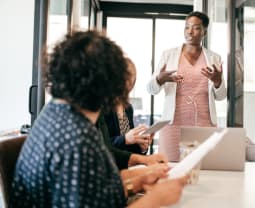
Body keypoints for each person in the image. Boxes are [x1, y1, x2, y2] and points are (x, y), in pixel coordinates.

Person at [11, 31, 188, 208]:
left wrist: (141, 177)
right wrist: (157, 199)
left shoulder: (54, 114)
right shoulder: (77, 141)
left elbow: (94, 186)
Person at [147, 11, 226, 161]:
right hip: (173, 124)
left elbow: (221, 96)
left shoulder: (214, 58)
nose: (190, 32)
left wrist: (217, 81)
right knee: (170, 168)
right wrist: (160, 79)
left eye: (196, 28)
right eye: (187, 27)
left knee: (203, 168)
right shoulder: (168, 55)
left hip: (204, 123)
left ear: (204, 31)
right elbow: (151, 89)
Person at [100, 58, 153, 154]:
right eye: (125, 79)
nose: (128, 84)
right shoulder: (102, 107)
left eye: (131, 80)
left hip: (125, 165)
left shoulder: (128, 108)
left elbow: (128, 149)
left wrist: (141, 147)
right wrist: (125, 139)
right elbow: (101, 146)